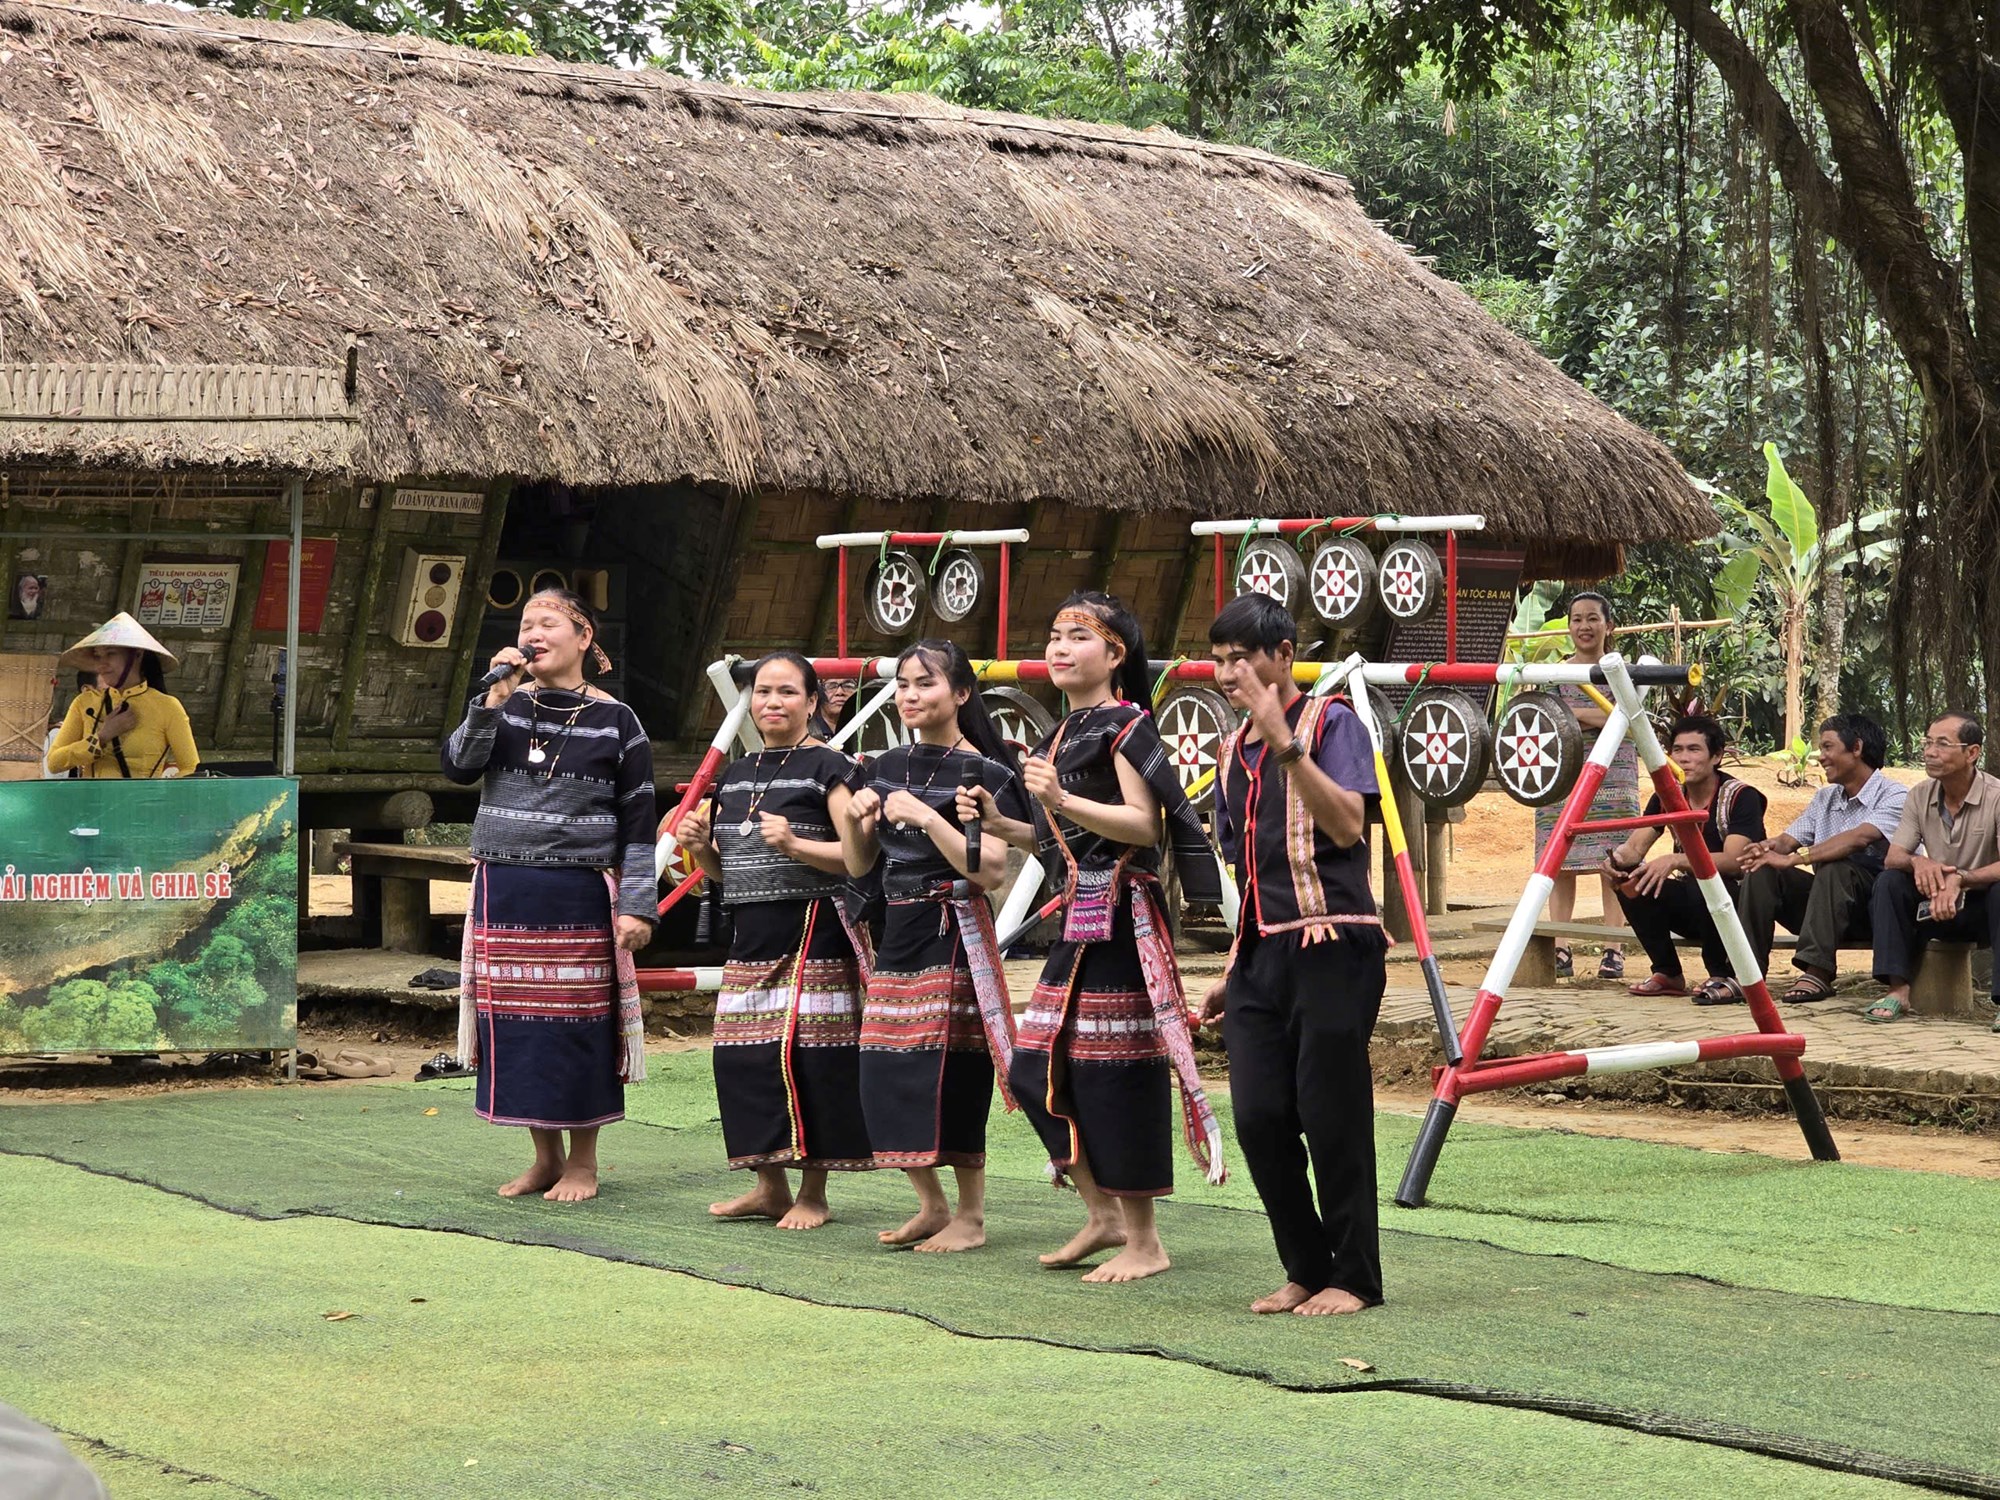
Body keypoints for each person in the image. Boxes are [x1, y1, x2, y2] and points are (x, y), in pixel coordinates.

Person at [964, 592, 1227, 1284]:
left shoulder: (1126, 727)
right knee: (1033, 1070)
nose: (1058, 647)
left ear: (1116, 655)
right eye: (1053, 634)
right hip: (1079, 921)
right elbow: (1060, 846)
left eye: (1078, 636)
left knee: (1118, 1074)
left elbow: (1145, 827)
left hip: (1125, 918)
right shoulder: (1059, 736)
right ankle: (1101, 1214)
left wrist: (1057, 800)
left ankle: (1146, 1240)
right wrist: (1002, 820)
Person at [1195, 593, 1387, 1317]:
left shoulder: (1333, 723)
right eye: (1217, 661)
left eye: (1240, 659)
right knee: (1258, 1118)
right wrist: (1230, 968)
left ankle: (1356, 1277)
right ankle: (1306, 1267)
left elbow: (1345, 827)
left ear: (1282, 655)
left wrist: (1284, 741)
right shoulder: (1226, 751)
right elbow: (1249, 869)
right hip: (1260, 953)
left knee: (1331, 1112)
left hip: (1334, 944)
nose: (1227, 674)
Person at [442, 588, 657, 1202]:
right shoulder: (502, 705)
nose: (533, 633)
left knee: (579, 1025)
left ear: (584, 638)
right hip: (504, 888)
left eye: (547, 623)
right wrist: (491, 701)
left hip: (577, 891)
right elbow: (458, 766)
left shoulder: (618, 720)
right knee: (518, 1024)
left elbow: (639, 819)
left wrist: (637, 904)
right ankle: (543, 1158)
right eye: (525, 624)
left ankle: (584, 1164)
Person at [837, 639, 1027, 1251]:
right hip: (897, 925)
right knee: (881, 1069)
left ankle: (971, 1216)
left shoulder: (987, 772)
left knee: (955, 1068)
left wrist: (925, 817)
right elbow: (861, 862)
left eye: (926, 684)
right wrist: (855, 822)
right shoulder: (884, 764)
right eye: (903, 685)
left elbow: (990, 869)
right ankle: (931, 1203)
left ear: (961, 694)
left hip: (953, 926)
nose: (910, 696)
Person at [676, 651, 873, 1229]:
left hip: (816, 925)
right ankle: (770, 1187)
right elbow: (724, 871)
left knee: (815, 1058)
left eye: (787, 692)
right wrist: (701, 847)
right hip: (751, 930)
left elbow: (857, 858)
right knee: (744, 1056)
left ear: (812, 702)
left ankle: (814, 1193)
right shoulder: (737, 774)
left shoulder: (829, 767)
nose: (772, 703)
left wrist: (795, 846)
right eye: (763, 692)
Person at [1735, 714, 1905, 1004]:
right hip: (1824, 910)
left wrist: (1795, 858)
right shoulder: (1825, 798)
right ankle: (1746, 974)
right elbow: (1788, 841)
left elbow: (1859, 838)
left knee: (1837, 867)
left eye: (1828, 747)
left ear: (1857, 748)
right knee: (1763, 869)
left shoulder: (1895, 794)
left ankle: (1817, 971)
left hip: (1875, 914)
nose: (1820, 757)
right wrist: (1766, 848)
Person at [1604, 714, 1767, 1002]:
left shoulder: (1743, 796)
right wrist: (1616, 864)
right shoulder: (1668, 794)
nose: (1683, 758)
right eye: (1677, 750)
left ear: (1716, 756)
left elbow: (1734, 861)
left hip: (1740, 904)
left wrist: (1677, 861)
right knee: (1631, 884)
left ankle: (1720, 973)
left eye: (1694, 750)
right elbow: (1634, 848)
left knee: (1704, 883)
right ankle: (1667, 972)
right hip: (1696, 904)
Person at [1868, 713, 2000, 1026]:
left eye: (1942, 744)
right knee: (1889, 881)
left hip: (1982, 912)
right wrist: (1919, 861)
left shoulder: (1996, 797)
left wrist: (1961, 878)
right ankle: (1898, 989)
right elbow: (1894, 855)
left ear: (1972, 753)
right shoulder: (1919, 795)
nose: (1929, 751)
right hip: (1934, 906)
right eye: (1927, 742)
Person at [1533, 591, 1635, 979]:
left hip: (1615, 775)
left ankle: (1614, 948)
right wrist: (1598, 715)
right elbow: (1548, 718)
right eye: (1577, 619)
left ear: (1609, 626)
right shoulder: (1555, 673)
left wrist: (1574, 714)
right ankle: (1561, 948)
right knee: (1561, 863)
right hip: (1563, 775)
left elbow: (1627, 716)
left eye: (1593, 618)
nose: (1584, 626)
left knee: (1615, 861)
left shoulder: (1624, 673)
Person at [46, 614, 199, 779]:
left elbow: (190, 769)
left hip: (140, 803)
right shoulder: (84, 703)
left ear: (137, 655)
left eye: (110, 654)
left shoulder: (167, 707)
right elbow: (54, 763)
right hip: (91, 803)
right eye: (98, 656)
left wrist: (159, 796)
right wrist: (102, 737)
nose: (102, 664)